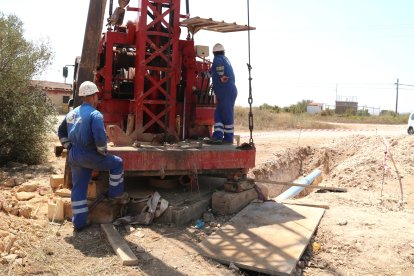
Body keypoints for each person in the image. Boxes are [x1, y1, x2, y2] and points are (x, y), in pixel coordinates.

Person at [57, 81, 127, 231]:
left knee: (78, 189)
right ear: (94, 96)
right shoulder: (95, 115)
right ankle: (116, 195)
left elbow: (61, 131)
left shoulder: (71, 113)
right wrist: (102, 152)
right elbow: (100, 138)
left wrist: (68, 146)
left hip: (74, 156)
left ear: (82, 96)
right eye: (97, 96)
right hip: (89, 155)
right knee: (117, 163)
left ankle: (79, 223)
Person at [204, 43, 238, 144]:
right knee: (218, 114)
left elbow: (218, 68)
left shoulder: (218, 59)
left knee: (227, 114)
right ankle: (218, 136)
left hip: (226, 92)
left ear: (214, 53)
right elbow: (211, 72)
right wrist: (201, 74)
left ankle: (228, 138)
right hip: (225, 93)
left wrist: (221, 75)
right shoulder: (225, 59)